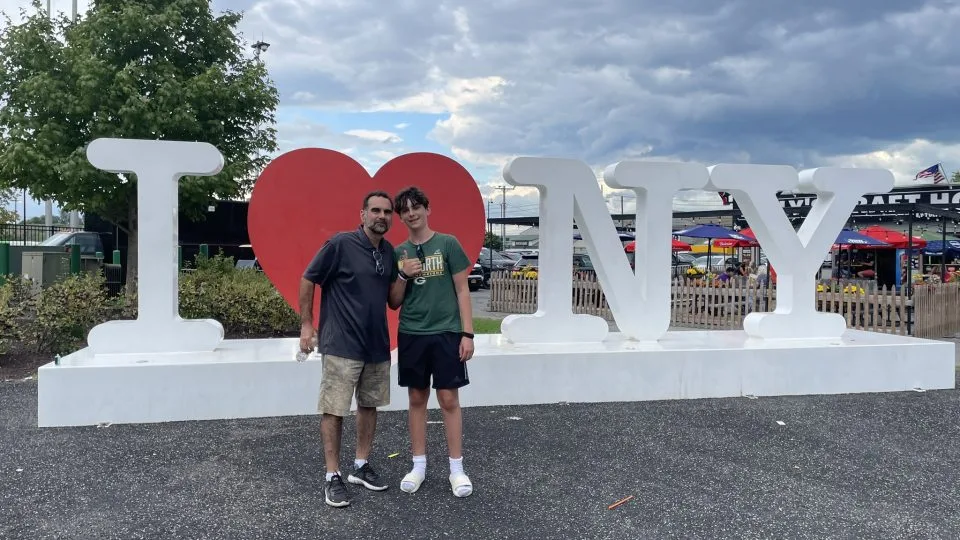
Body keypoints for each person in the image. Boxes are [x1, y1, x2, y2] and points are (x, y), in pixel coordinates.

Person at [298, 190, 417, 508]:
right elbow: (308, 278)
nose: (382, 216)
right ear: (362, 214)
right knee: (334, 410)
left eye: (387, 212)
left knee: (369, 405)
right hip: (341, 344)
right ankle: (332, 475)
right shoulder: (340, 244)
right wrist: (307, 325)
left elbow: (393, 302)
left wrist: (403, 275)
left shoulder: (388, 252)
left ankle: (361, 466)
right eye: (375, 211)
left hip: (376, 345)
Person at [387, 186, 476, 498]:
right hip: (412, 332)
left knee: (448, 399)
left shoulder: (448, 243)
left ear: (427, 209)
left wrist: (468, 333)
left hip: (447, 332)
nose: (411, 214)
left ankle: (457, 469)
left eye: (416, 207)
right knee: (416, 398)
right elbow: (393, 302)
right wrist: (403, 275)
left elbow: (462, 289)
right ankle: (419, 466)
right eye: (405, 210)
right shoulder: (398, 252)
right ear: (400, 217)